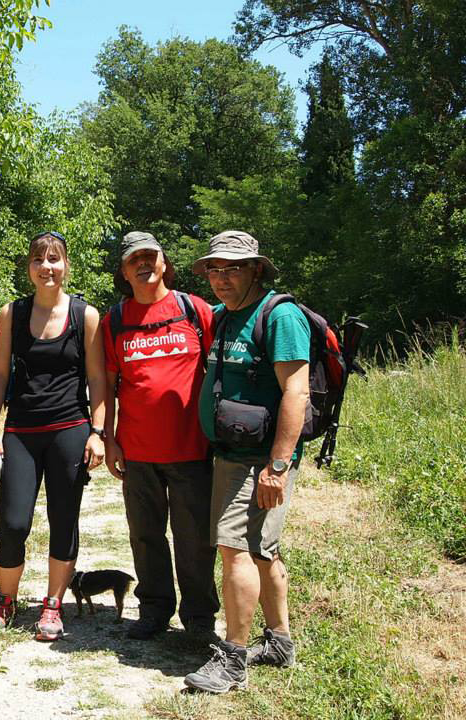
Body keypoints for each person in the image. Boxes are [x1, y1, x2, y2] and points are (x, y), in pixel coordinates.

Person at [184, 230, 310, 694]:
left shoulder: (281, 316)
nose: (221, 277)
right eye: (214, 269)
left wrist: (277, 467)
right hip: (232, 455)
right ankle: (279, 643)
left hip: (261, 460)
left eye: (233, 267)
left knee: (233, 547)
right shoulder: (222, 317)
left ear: (257, 268)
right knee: (261, 549)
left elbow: (297, 390)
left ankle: (232, 660)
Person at [0, 231, 107, 641]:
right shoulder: (11, 314)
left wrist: (99, 432)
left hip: (70, 428)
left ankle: (53, 605)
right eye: (39, 260)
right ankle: (7, 599)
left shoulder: (84, 316)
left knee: (63, 519)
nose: (47, 267)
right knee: (13, 523)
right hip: (21, 431)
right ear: (29, 267)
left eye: (54, 259)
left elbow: (97, 378)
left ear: (66, 265)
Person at [102, 231, 220, 641]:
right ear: (124, 271)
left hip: (192, 447)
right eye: (135, 259)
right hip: (137, 450)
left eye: (151, 255)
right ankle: (153, 609)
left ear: (165, 262)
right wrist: (109, 438)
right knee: (145, 534)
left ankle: (200, 616)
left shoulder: (194, 309)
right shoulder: (115, 320)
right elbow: (107, 385)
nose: (144, 263)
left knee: (196, 537)